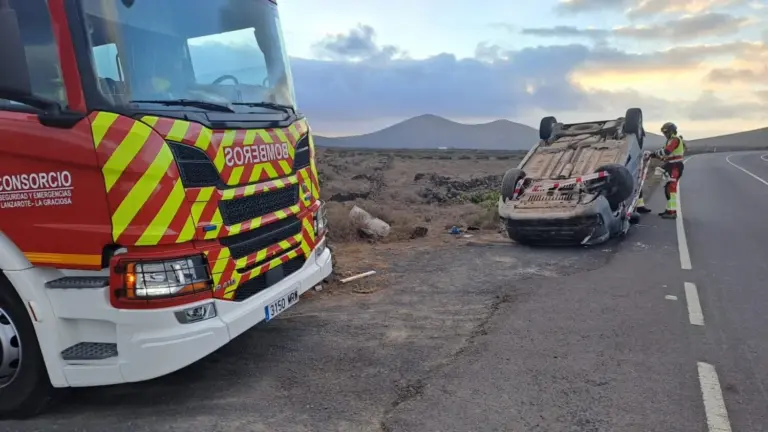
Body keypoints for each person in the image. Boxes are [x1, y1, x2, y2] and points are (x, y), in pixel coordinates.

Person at [652, 122, 685, 219]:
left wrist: (654, 153)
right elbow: (666, 153)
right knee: (667, 188)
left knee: (672, 188)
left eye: (666, 132)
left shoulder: (675, 140)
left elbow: (667, 151)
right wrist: (656, 155)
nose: (665, 135)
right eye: (664, 133)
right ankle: (669, 210)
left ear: (671, 131)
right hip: (671, 165)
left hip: (675, 167)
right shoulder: (670, 141)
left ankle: (672, 212)